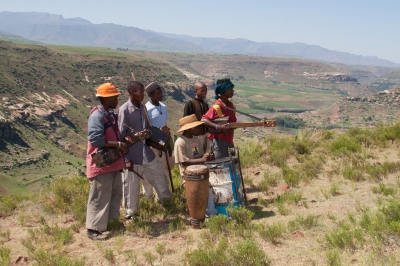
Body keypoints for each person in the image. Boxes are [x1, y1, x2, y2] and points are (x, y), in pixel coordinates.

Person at [118, 81, 171, 220]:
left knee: (159, 176)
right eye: (139, 92)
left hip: (146, 151)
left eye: (142, 91)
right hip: (132, 154)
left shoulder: (142, 107)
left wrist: (160, 132)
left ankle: (167, 202)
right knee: (132, 185)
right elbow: (121, 136)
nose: (142, 94)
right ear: (131, 93)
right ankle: (130, 214)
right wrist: (126, 159)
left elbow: (148, 127)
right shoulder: (124, 110)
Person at [85, 82, 128, 240]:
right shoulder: (97, 116)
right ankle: (93, 229)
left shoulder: (110, 114)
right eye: (114, 97)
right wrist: (118, 145)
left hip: (113, 163)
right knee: (99, 196)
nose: (117, 100)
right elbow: (96, 139)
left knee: (114, 194)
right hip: (102, 164)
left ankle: (111, 222)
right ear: (106, 99)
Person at [174, 114, 217, 216]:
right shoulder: (180, 142)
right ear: (189, 129)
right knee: (200, 191)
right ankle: (203, 213)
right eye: (196, 127)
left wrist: (207, 157)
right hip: (189, 175)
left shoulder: (196, 139)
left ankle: (211, 212)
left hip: (200, 171)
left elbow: (200, 156)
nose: (198, 128)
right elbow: (183, 161)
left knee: (209, 188)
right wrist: (201, 159)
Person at [144, 82, 174, 197]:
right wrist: (159, 129)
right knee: (150, 173)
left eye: (161, 92)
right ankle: (148, 197)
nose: (160, 95)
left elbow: (164, 123)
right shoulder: (146, 109)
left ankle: (162, 196)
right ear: (151, 94)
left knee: (165, 170)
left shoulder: (163, 107)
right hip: (152, 144)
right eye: (157, 93)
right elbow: (147, 127)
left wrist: (168, 140)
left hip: (163, 143)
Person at [201, 78, 237, 159]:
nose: (233, 91)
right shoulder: (217, 107)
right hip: (219, 142)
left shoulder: (231, 105)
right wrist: (219, 127)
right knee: (221, 166)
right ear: (225, 91)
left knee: (232, 164)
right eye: (231, 89)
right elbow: (203, 120)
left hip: (229, 141)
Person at [183, 81, 210, 153]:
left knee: (207, 154)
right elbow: (186, 121)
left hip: (206, 135)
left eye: (206, 90)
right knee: (197, 155)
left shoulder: (205, 104)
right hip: (196, 136)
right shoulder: (190, 103)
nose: (205, 92)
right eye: (202, 91)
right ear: (195, 91)